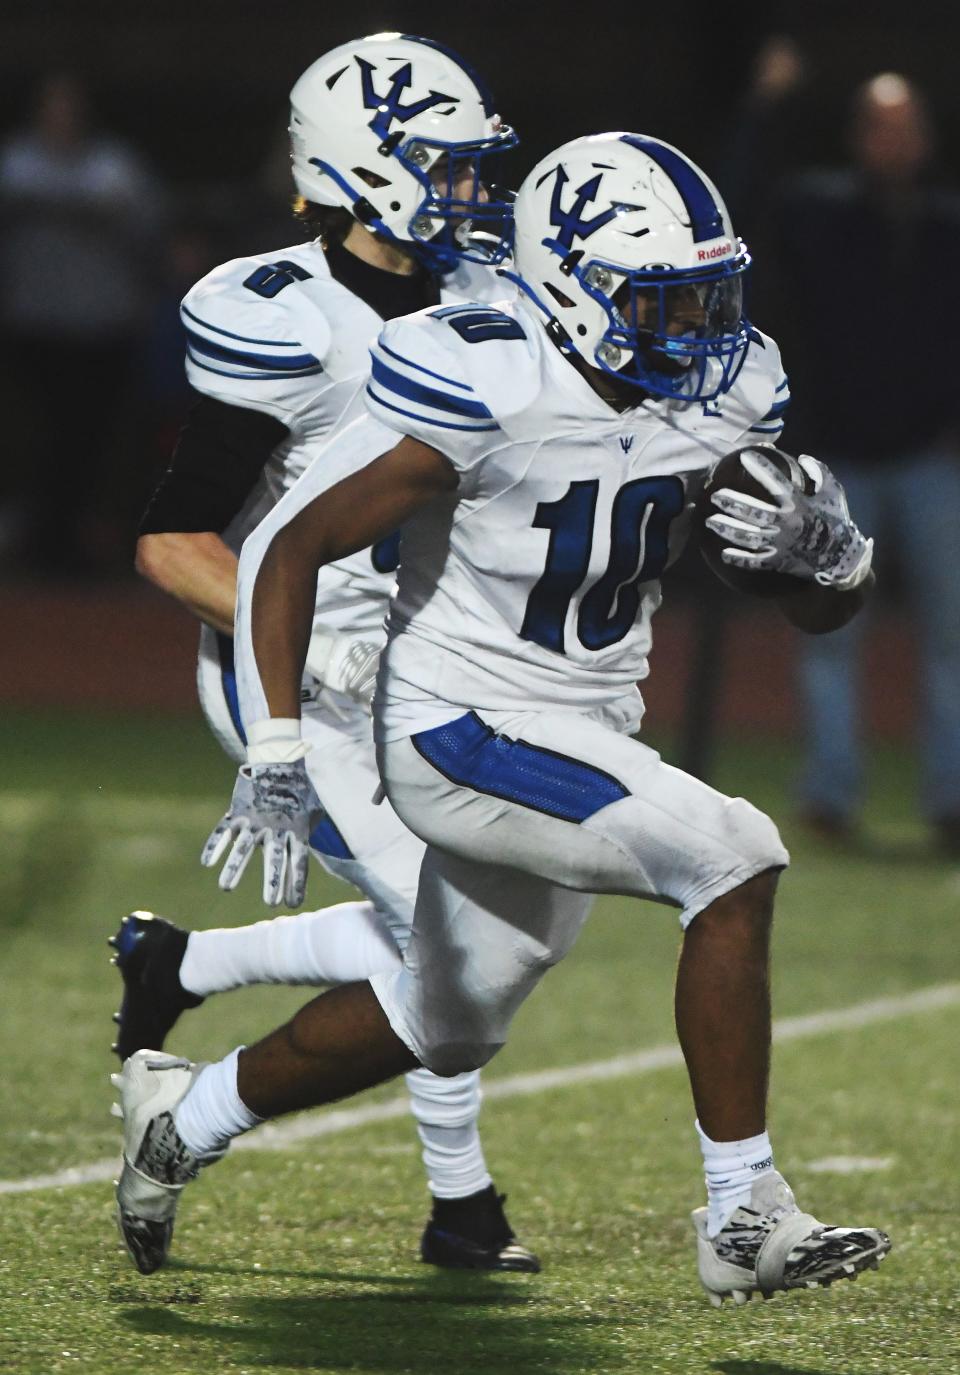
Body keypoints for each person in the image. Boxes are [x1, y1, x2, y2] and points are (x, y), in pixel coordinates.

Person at [113, 132, 890, 1305]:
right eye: (661, 299)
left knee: (445, 1016)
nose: (697, 329)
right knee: (733, 857)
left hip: (586, 725)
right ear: (573, 285)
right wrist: (276, 747)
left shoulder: (728, 384)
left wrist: (827, 564)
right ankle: (745, 1211)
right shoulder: (491, 375)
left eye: (708, 296)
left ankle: (182, 1119)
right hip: (457, 725)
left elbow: (814, 606)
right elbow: (289, 544)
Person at [120, 33, 540, 1274]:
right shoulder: (285, 319)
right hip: (302, 666)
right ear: (361, 168)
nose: (468, 188)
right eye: (439, 163)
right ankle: (457, 1202)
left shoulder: (495, 290)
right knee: (449, 931)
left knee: (472, 923)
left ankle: (183, 963)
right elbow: (170, 540)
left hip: (441, 653)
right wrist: (297, 664)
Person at [765, 73, 960, 851]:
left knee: (951, 638)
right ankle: (830, 794)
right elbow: (762, 212)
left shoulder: (948, 227)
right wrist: (767, 102)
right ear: (856, 136)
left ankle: (951, 799)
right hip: (837, 460)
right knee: (827, 633)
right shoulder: (818, 214)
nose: (896, 142)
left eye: (908, 125)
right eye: (881, 126)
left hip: (933, 459)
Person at [0, 72, 162, 573]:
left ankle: (84, 541)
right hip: (34, 321)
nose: (62, 115)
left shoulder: (114, 166)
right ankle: (36, 537)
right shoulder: (16, 163)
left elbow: (150, 229)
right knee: (34, 433)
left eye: (70, 105)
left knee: (91, 435)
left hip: (102, 324)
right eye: (53, 104)